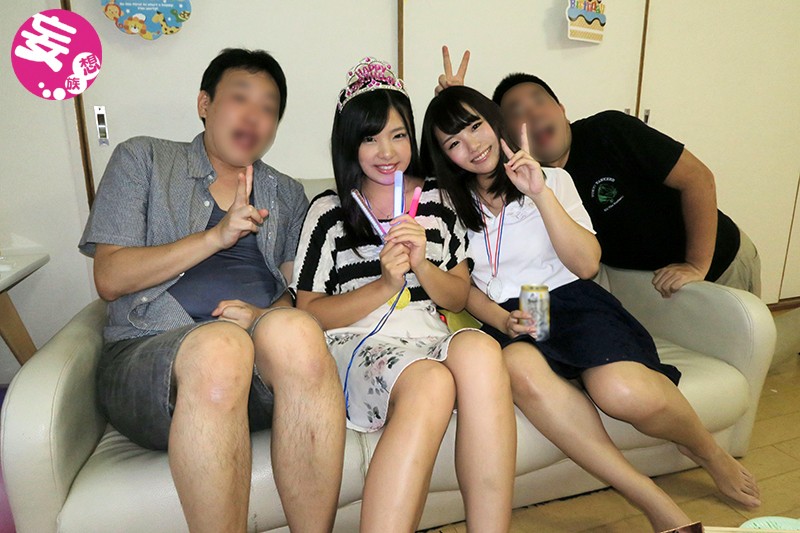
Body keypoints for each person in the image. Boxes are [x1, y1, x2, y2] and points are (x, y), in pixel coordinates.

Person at [420, 85, 761, 531]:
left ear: (495, 123)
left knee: (621, 392)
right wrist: (501, 318)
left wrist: (540, 193)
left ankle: (708, 451)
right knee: (517, 365)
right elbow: (461, 287)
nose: (471, 146)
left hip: (570, 300)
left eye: (475, 126)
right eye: (453, 142)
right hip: (511, 315)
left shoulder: (553, 179)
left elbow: (586, 265)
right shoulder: (446, 204)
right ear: (444, 155)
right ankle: (650, 498)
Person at [79, 48, 346, 533]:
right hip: (149, 362)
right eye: (240, 98)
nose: (254, 116)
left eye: (268, 107)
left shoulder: (286, 193)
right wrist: (215, 237)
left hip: (257, 376)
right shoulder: (144, 159)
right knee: (221, 346)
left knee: (298, 331)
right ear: (205, 104)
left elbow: (297, 293)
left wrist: (262, 317)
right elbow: (110, 278)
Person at [293, 58, 515, 532]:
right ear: (349, 144)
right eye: (370, 138)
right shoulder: (329, 211)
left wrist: (421, 265)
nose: (387, 151)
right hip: (358, 340)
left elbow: (457, 296)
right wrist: (384, 285)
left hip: (428, 332)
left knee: (481, 350)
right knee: (432, 382)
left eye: (398, 135)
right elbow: (307, 313)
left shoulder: (438, 199)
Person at [436, 46, 761, 298]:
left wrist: (696, 265)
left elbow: (699, 179)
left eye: (539, 100)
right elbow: (455, 169)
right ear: (506, 132)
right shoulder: (532, 182)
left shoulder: (609, 131)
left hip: (719, 260)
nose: (533, 113)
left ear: (561, 110)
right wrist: (457, 112)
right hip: (656, 284)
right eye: (517, 111)